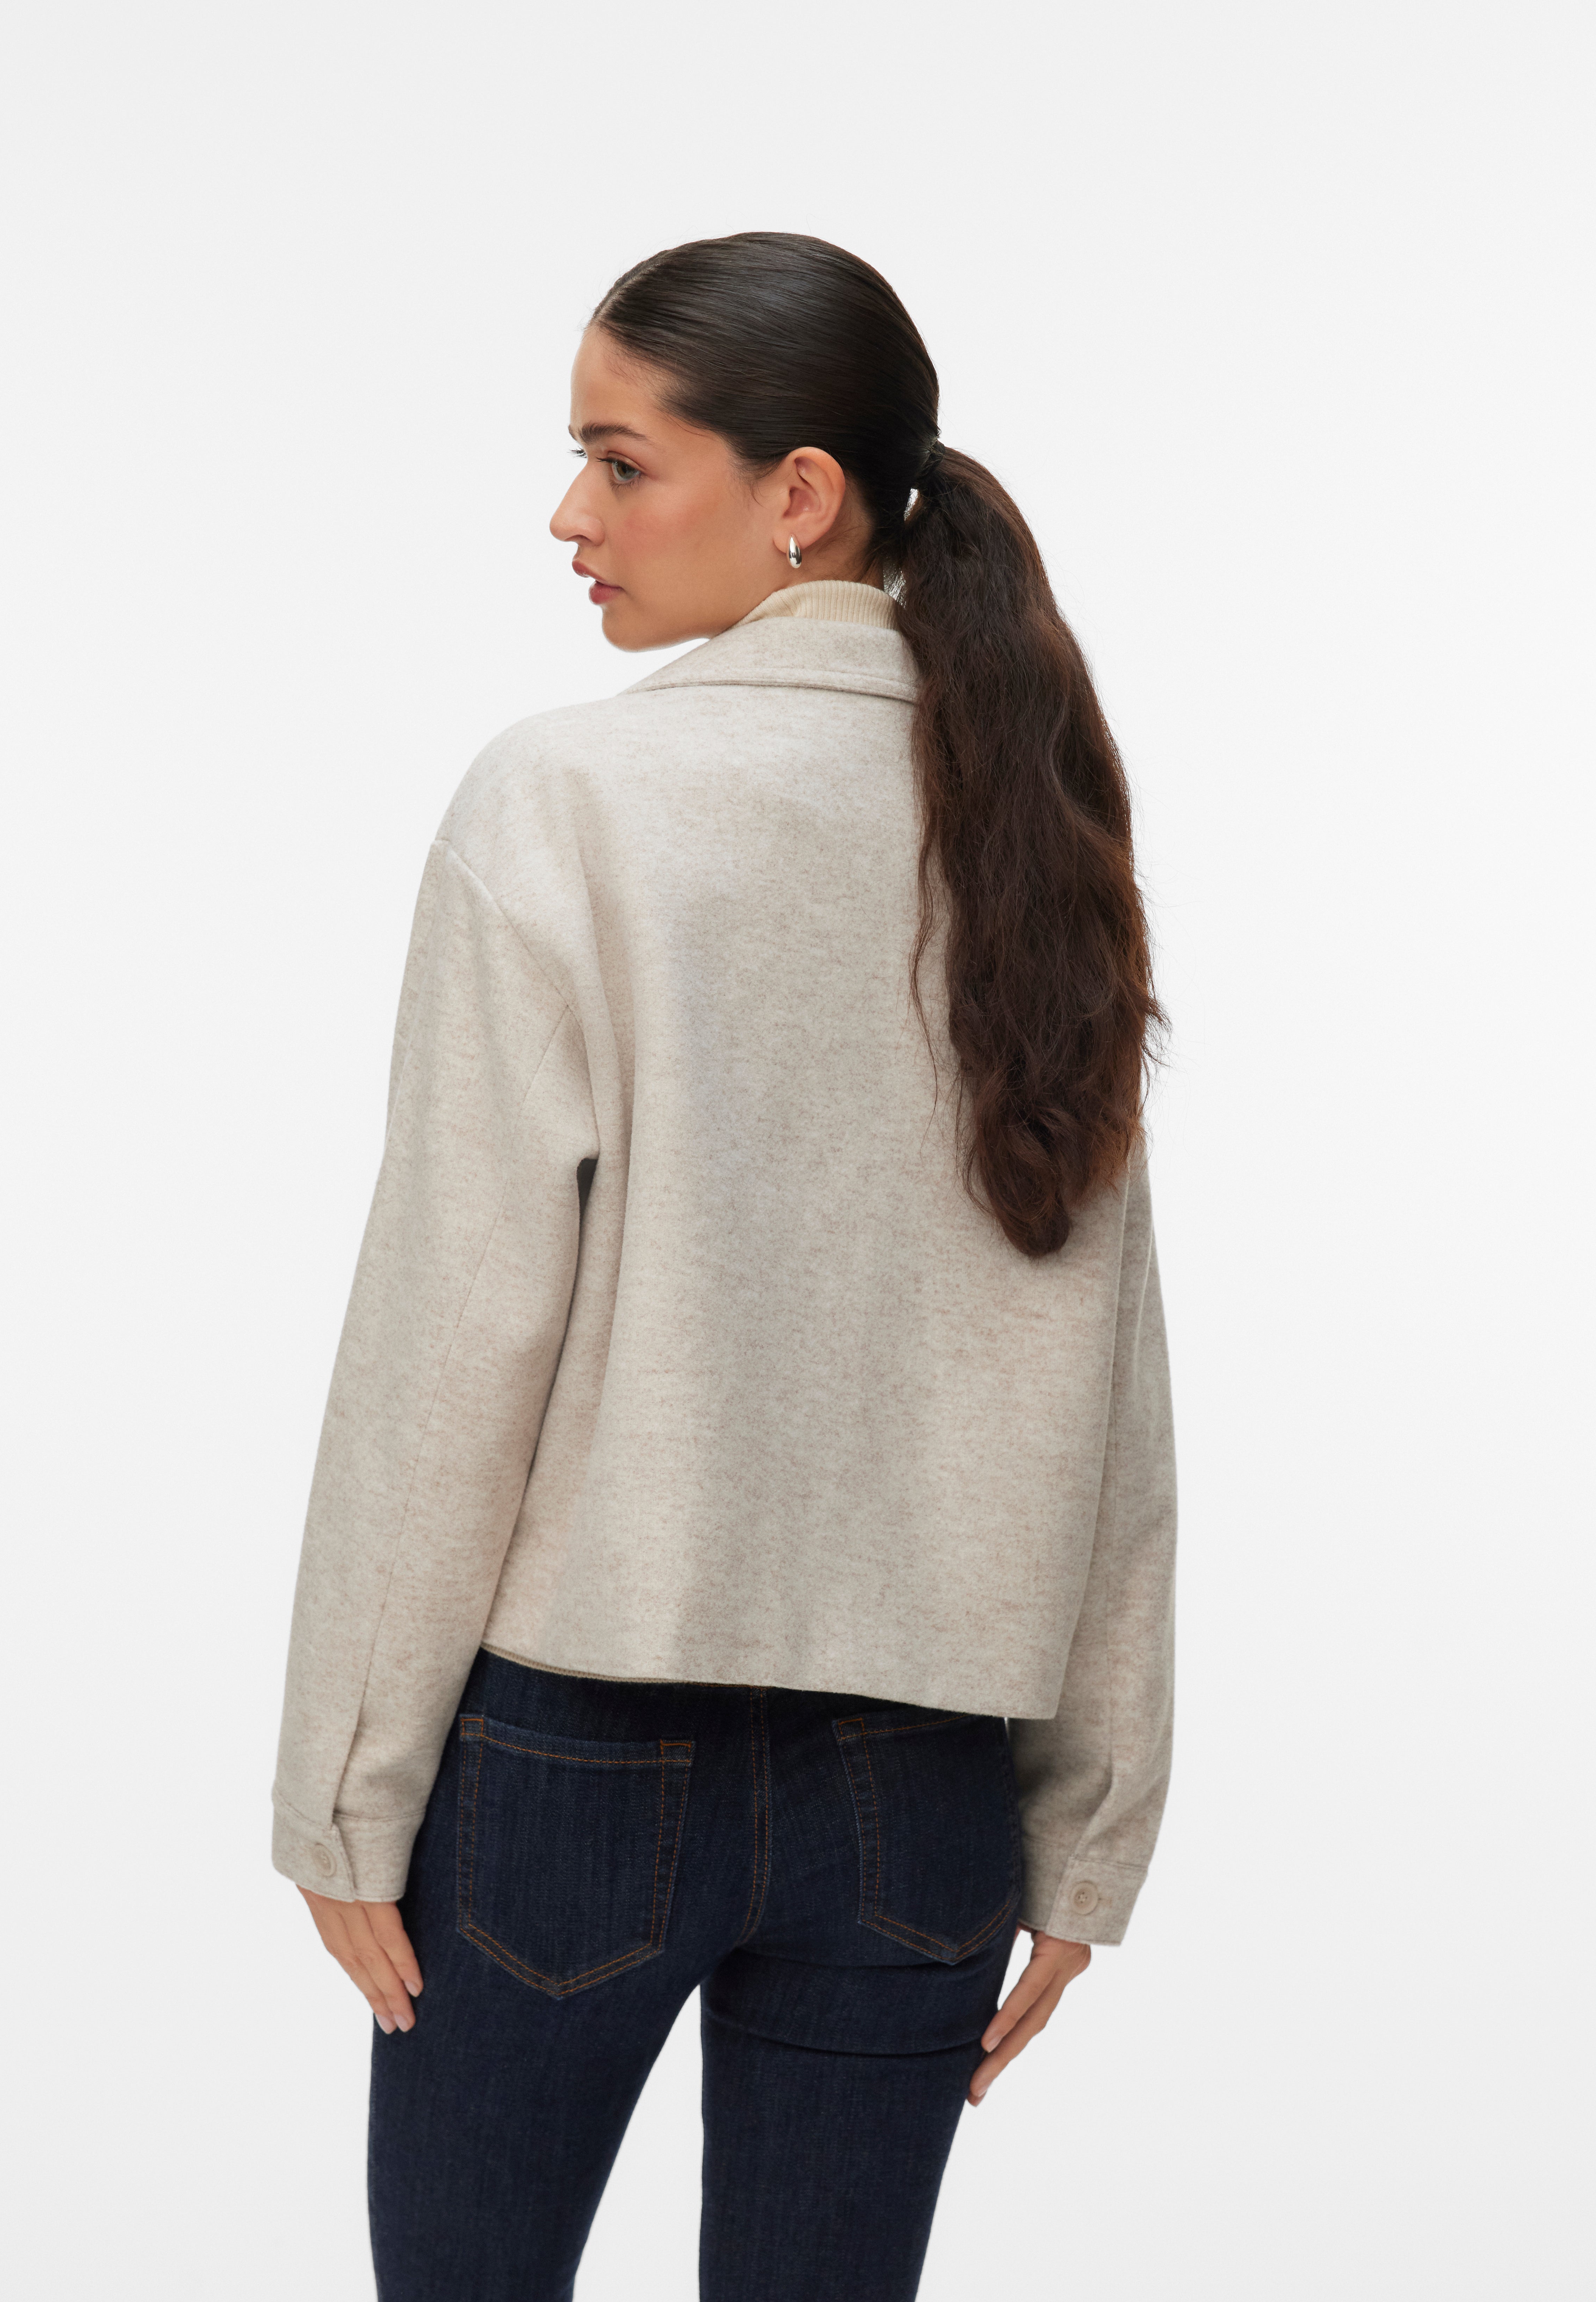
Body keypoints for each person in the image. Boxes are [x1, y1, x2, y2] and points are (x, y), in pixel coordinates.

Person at [271, 230, 1176, 2302]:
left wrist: (344, 1787)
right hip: (924, 1800)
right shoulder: (1036, 825)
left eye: (620, 461)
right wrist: (1091, 1828)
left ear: (801, 495)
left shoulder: (569, 799)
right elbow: (1108, 1355)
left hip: (573, 1778)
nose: (569, 517)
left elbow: (454, 1329)